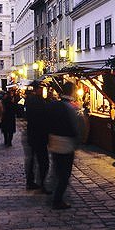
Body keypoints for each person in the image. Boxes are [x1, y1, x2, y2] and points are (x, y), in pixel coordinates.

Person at [47, 81, 80, 210]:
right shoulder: (70, 107)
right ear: (72, 92)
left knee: (57, 170)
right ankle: (57, 200)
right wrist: (77, 142)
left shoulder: (54, 105)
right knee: (65, 174)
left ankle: (54, 194)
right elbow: (75, 127)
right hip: (66, 144)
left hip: (54, 141)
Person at [24, 81, 50, 192]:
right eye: (42, 88)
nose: (43, 90)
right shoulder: (38, 101)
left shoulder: (30, 100)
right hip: (39, 135)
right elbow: (43, 116)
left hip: (33, 134)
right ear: (37, 89)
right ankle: (42, 184)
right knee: (43, 161)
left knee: (33, 160)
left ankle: (31, 182)